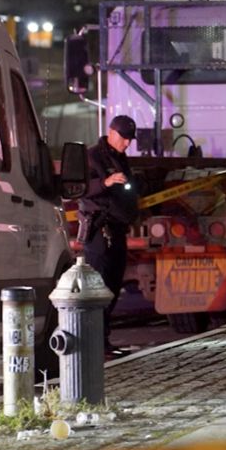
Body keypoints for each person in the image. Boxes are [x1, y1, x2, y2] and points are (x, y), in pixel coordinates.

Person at [80, 115, 140, 359]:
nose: (127, 143)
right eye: (124, 138)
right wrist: (106, 182)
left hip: (117, 230)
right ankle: (95, 343)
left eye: (130, 139)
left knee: (113, 287)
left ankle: (103, 341)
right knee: (98, 287)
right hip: (99, 231)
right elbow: (80, 188)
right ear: (111, 132)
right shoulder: (92, 156)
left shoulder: (120, 158)